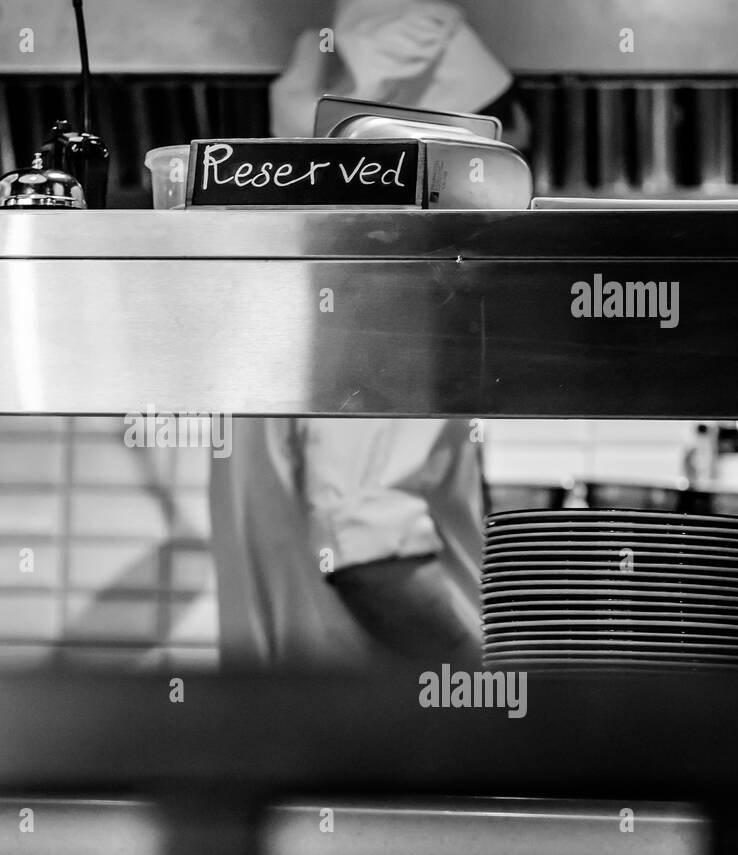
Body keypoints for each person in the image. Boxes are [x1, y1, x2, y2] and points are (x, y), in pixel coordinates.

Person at [209, 1, 528, 671]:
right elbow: (370, 554)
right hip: (396, 747)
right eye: (507, 123)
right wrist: (498, 699)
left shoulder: (287, 287)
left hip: (310, 744)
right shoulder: (393, 287)